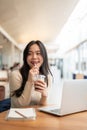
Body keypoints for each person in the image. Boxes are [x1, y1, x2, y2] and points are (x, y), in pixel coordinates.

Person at [9, 40, 53, 108]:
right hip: (18, 117)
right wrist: (29, 81)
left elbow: (42, 107)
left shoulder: (47, 77)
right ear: (25, 57)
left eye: (38, 53)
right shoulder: (15, 75)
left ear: (44, 56)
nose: (34, 57)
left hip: (38, 117)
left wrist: (44, 96)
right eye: (29, 54)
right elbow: (19, 106)